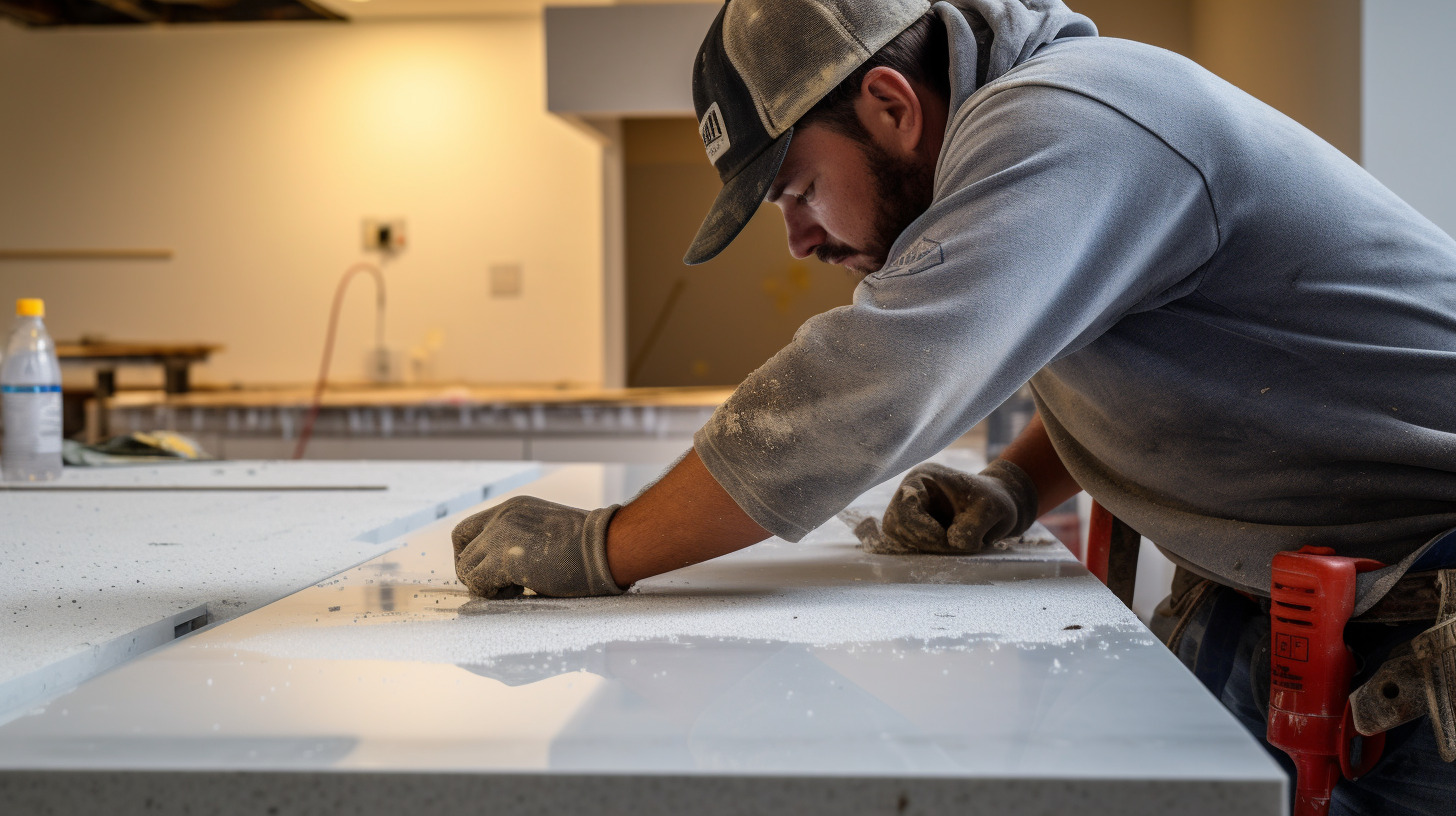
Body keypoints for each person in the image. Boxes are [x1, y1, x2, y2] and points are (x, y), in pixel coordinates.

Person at [452, 1, 1456, 811]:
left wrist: (604, 549)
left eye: (798, 191)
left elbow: (869, 380)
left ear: (891, 105)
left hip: (1420, 633)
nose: (798, 241)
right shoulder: (1054, 132)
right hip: (1310, 619)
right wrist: (1015, 486)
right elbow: (1131, 350)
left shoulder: (1068, 116)